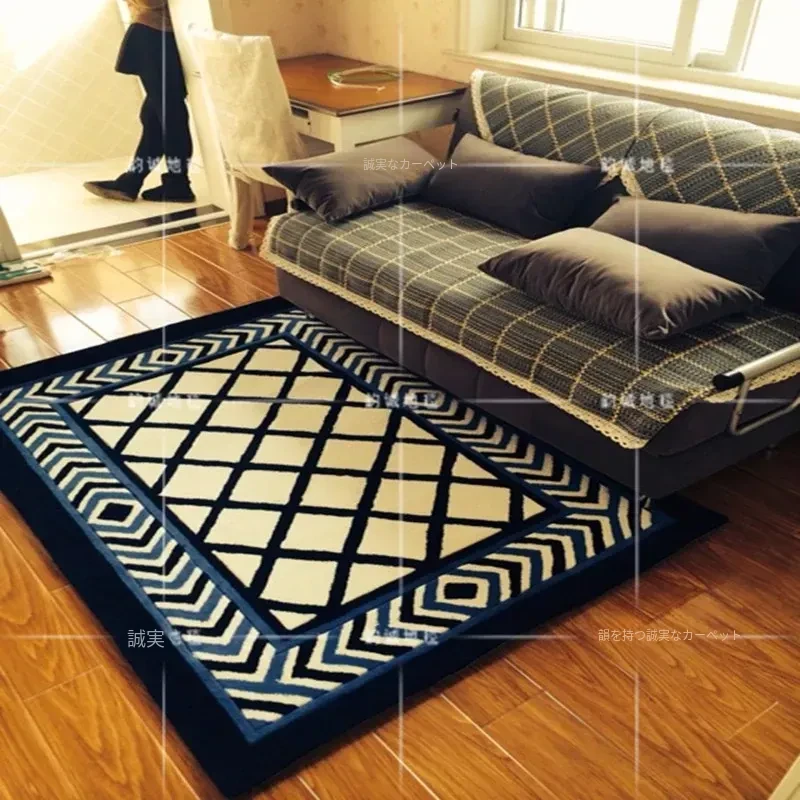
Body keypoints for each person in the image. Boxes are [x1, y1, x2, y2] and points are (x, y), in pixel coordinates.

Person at [84, 0, 195, 203]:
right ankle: (133, 180)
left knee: (170, 115)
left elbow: (151, 2)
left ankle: (177, 184)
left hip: (155, 35)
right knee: (154, 117)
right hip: (156, 34)